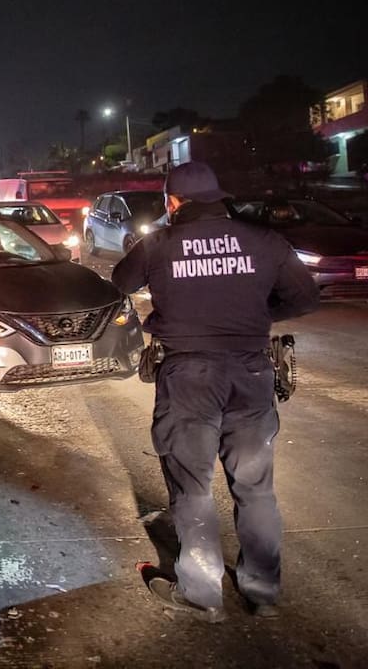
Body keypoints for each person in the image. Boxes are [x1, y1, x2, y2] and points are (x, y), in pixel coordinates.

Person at [112, 161, 320, 623]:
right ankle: (262, 591)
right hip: (250, 372)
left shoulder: (160, 244)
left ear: (172, 202)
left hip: (189, 377)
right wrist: (253, 316)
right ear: (218, 197)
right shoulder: (264, 241)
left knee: (192, 486)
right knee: (255, 487)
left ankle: (203, 594)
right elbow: (305, 298)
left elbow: (120, 283)